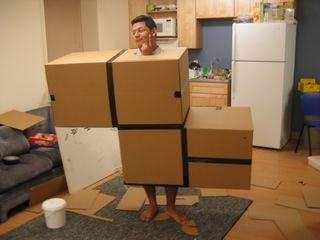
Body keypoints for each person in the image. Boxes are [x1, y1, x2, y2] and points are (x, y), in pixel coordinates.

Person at [130, 15, 188, 225]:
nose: (137, 35)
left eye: (141, 30)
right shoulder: (128, 60)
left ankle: (171, 206)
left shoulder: (171, 56)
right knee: (147, 164)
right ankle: (153, 203)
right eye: (134, 32)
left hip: (166, 118)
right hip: (138, 120)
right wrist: (142, 57)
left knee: (169, 163)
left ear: (154, 31)